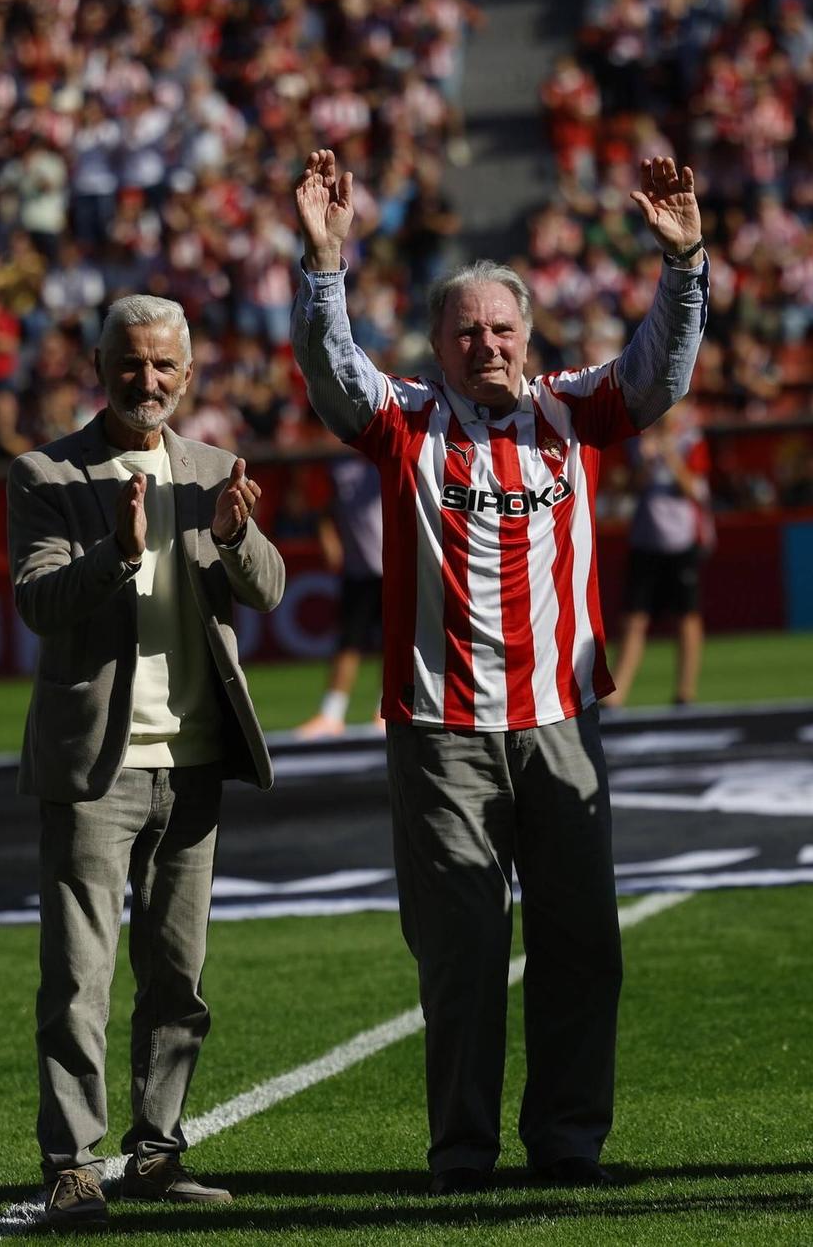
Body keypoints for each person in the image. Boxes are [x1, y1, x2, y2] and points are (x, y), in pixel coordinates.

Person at [290, 148, 707, 1194]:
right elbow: (333, 376)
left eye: (502, 328)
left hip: (562, 718)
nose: (486, 343)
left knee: (580, 947)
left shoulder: (575, 407)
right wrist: (324, 264)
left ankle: (568, 1145)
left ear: (530, 338)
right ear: (435, 346)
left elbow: (658, 371)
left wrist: (684, 264)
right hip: (439, 731)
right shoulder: (405, 422)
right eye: (466, 329)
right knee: (463, 958)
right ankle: (462, 1154)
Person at [8, 294, 286, 1227]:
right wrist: (117, 558)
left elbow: (272, 588)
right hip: (97, 764)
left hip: (197, 760)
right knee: (79, 977)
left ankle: (158, 1151)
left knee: (178, 977)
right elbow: (39, 602)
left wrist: (240, 534)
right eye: (132, 364)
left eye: (166, 365)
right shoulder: (45, 472)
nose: (149, 380)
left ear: (190, 371)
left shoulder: (213, 469)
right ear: (99, 365)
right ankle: (73, 1163)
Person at [606, 401, 711, 708]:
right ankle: (617, 694)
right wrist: (647, 462)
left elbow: (696, 490)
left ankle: (685, 692)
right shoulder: (640, 441)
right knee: (634, 617)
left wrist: (670, 456)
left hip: (682, 539)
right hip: (646, 538)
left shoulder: (691, 440)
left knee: (686, 617)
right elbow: (632, 488)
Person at [296, 452, 386, 738]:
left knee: (397, 644)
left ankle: (386, 711)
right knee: (348, 642)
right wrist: (327, 534)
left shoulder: (385, 454)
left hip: (397, 565)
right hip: (358, 567)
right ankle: (332, 714)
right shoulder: (337, 462)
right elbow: (324, 504)